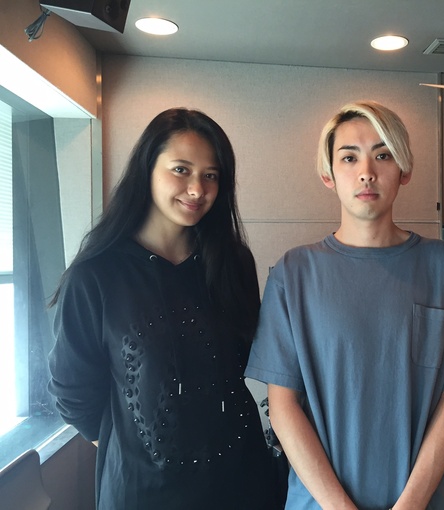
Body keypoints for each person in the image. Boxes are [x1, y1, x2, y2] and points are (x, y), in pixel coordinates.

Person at [245, 100, 444, 509]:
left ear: (404, 170)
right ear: (328, 174)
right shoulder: (294, 273)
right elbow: (282, 406)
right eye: (349, 157)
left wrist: (411, 504)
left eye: (383, 155)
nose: (366, 171)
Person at [47, 108, 277, 509]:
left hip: (241, 482)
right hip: (141, 492)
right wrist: (140, 445)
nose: (197, 189)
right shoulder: (96, 275)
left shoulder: (232, 262)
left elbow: (243, 362)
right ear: (147, 169)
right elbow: (73, 393)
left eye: (211, 175)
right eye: (181, 170)